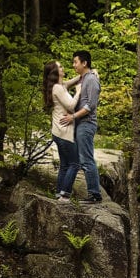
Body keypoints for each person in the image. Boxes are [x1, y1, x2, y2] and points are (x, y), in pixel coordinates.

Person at [59, 50, 102, 204]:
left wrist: (73, 117)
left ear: (84, 63)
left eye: (75, 62)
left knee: (86, 159)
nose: (73, 65)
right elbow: (65, 86)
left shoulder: (91, 80)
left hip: (86, 124)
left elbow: (90, 105)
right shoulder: (84, 79)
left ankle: (95, 195)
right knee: (80, 159)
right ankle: (91, 193)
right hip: (80, 125)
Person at [43, 60, 81, 200]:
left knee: (65, 165)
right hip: (64, 132)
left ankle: (59, 193)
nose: (63, 68)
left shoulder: (60, 86)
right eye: (60, 67)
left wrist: (87, 73)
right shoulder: (58, 88)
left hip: (58, 132)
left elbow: (72, 81)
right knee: (75, 164)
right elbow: (71, 106)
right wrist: (79, 91)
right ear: (54, 72)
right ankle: (65, 196)